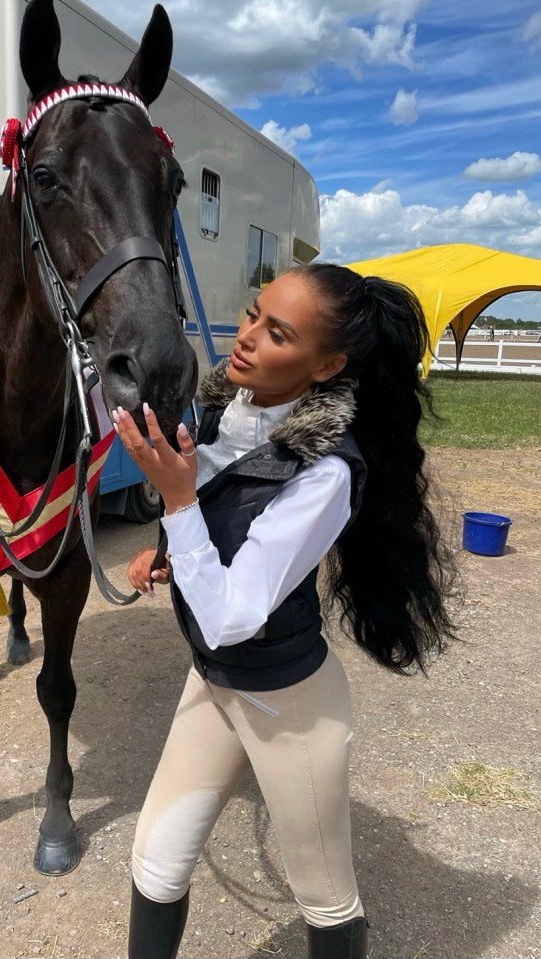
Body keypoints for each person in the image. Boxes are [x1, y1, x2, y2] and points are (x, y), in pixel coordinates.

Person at [113, 263, 459, 959]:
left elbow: (233, 613)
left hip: (288, 706)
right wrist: (167, 549)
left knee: (326, 896)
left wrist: (178, 503)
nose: (246, 338)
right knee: (156, 861)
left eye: (278, 333)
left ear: (326, 365)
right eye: (252, 314)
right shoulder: (221, 411)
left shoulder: (325, 471)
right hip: (214, 682)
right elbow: (217, 519)